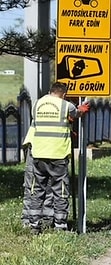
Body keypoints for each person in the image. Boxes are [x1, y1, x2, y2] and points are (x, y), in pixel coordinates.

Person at [28, 82, 90, 233]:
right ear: (63, 93)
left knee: (37, 190)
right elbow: (76, 114)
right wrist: (81, 110)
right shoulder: (66, 105)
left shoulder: (37, 104)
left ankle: (34, 226)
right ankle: (60, 226)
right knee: (60, 190)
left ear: (50, 91)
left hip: (38, 153)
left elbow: (46, 122)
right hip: (57, 154)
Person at [21, 126, 54, 228]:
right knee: (33, 185)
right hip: (39, 144)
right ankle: (30, 220)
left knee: (49, 185)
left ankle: (45, 219)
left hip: (53, 145)